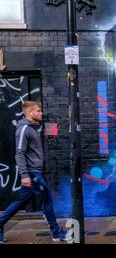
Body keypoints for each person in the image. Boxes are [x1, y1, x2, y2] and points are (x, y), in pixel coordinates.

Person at [0, 101, 69, 244]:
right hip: (32, 173)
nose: (41, 113)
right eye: (38, 110)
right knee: (47, 200)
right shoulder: (24, 128)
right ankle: (56, 233)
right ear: (30, 113)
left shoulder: (34, 127)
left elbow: (39, 143)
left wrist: (50, 132)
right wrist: (24, 175)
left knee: (20, 202)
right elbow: (19, 153)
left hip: (34, 172)